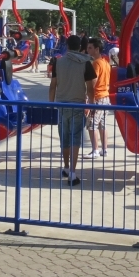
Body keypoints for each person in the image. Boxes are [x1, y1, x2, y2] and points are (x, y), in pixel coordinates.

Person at [48, 34, 96, 186]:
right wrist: (92, 105)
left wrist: (50, 103)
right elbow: (90, 88)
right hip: (78, 105)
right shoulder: (86, 63)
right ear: (81, 47)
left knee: (64, 137)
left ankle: (66, 167)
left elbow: (53, 84)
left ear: (67, 46)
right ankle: (73, 174)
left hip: (62, 105)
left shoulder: (58, 62)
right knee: (75, 138)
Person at [85, 37, 110, 159]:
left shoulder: (95, 64)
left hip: (97, 97)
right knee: (102, 125)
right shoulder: (105, 63)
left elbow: (93, 83)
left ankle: (95, 150)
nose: (87, 50)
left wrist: (91, 101)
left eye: (90, 48)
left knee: (91, 124)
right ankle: (104, 149)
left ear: (97, 49)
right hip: (105, 96)